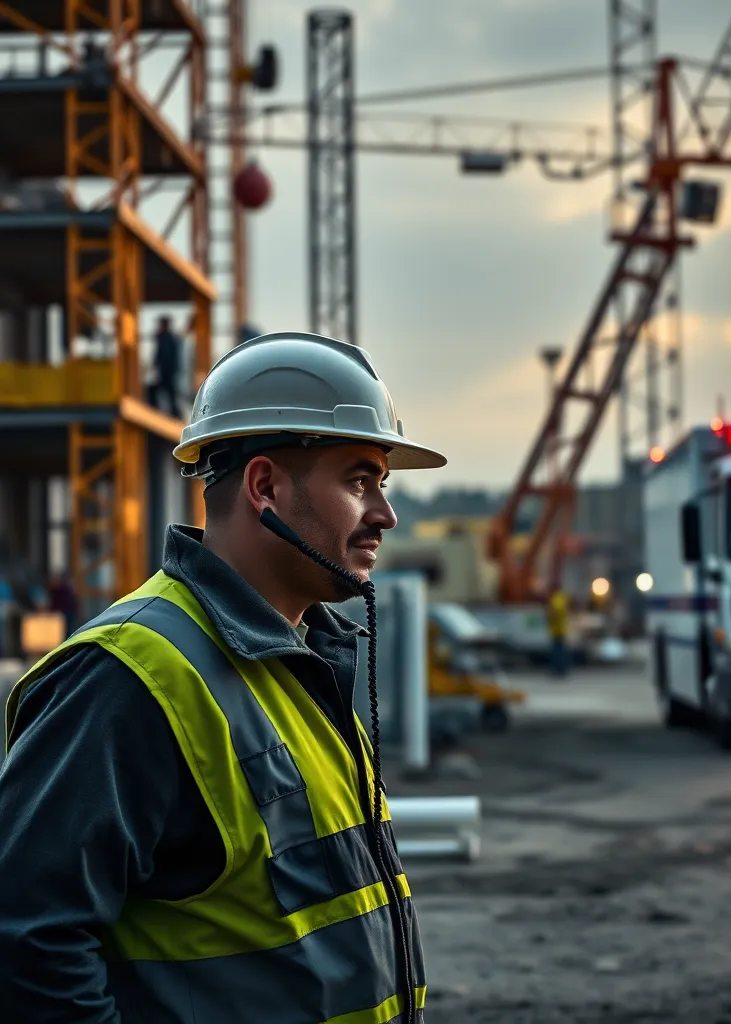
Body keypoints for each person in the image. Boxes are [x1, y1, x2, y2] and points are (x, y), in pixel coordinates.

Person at [0, 332, 446, 1023]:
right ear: (264, 486)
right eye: (360, 480)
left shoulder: (303, 663)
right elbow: (28, 946)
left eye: (381, 485)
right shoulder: (126, 676)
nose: (385, 514)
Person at [148, 314, 183, 417]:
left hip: (167, 373)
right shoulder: (166, 338)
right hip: (166, 372)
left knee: (169, 394)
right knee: (168, 394)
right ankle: (173, 413)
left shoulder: (167, 339)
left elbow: (165, 356)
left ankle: (173, 414)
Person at [547, 588, 570, 678]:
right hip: (560, 629)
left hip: (558, 630)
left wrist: (550, 614)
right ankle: (561, 669)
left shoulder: (556, 600)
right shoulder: (561, 598)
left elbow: (555, 613)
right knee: (560, 650)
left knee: (557, 651)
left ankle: (559, 669)